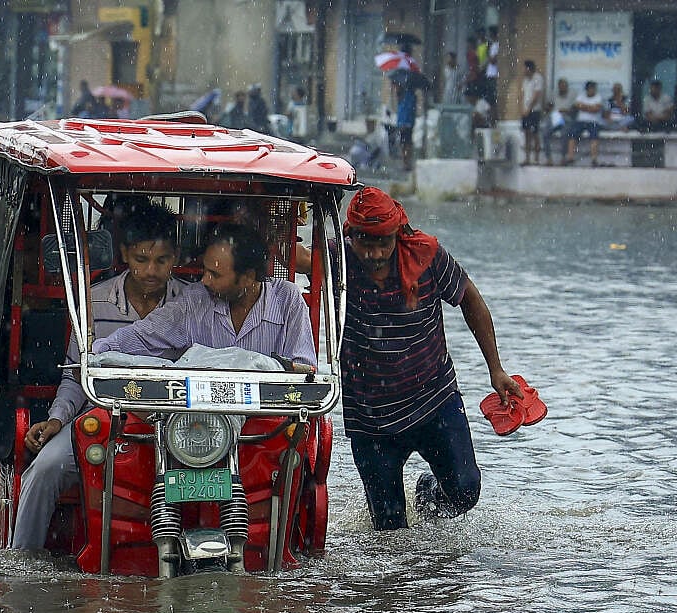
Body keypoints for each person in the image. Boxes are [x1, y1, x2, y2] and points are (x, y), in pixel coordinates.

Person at [6, 202, 188, 551]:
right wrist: (57, 420)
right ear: (124, 254)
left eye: (161, 261)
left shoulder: (192, 304)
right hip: (100, 421)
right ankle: (21, 560)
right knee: (45, 470)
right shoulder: (94, 302)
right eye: (141, 259)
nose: (150, 271)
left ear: (175, 257)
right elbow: (76, 376)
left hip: (173, 426)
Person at [337, 186, 520, 529]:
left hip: (433, 400)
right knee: (390, 533)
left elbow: (471, 301)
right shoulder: (338, 262)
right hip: (371, 419)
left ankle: (427, 493)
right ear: (351, 235)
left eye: (383, 243)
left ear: (398, 235)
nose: (375, 254)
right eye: (366, 243)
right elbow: (290, 258)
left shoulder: (427, 256)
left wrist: (496, 370)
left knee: (465, 491)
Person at [92, 222, 316, 370]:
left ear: (248, 277)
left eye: (215, 274)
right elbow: (144, 335)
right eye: (205, 271)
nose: (205, 280)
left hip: (268, 423)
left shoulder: (287, 299)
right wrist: (96, 353)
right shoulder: (196, 299)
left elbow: (304, 370)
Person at [565, 80, 603, 166]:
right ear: (587, 89)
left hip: (593, 121)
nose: (592, 90)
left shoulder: (598, 97)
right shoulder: (581, 96)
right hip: (580, 121)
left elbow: (596, 109)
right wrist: (590, 107)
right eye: (591, 88)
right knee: (572, 134)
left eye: (594, 89)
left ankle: (594, 159)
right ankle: (570, 157)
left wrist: (584, 107)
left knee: (594, 137)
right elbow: (577, 105)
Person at [519, 60, 545, 165]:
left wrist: (529, 108)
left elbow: (536, 95)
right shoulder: (525, 80)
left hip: (534, 110)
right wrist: (522, 109)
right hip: (526, 110)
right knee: (526, 134)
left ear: (529, 68)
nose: (523, 70)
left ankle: (536, 158)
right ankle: (527, 158)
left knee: (535, 134)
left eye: (524, 68)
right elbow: (523, 95)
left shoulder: (537, 78)